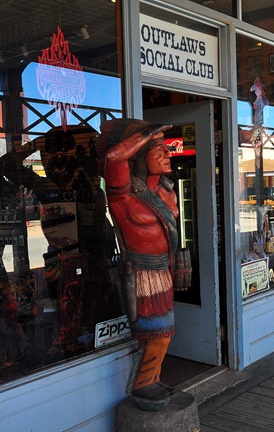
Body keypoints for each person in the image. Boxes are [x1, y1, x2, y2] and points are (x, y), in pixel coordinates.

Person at [95, 118, 190, 411]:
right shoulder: (122, 194)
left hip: (163, 269)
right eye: (158, 150)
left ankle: (152, 379)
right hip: (142, 272)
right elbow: (114, 158)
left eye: (166, 149)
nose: (168, 154)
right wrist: (147, 133)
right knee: (156, 332)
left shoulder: (165, 192)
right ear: (139, 155)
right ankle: (143, 384)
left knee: (162, 333)